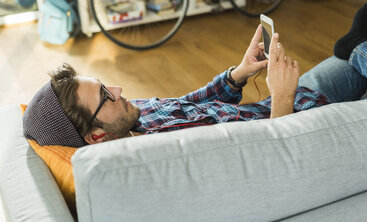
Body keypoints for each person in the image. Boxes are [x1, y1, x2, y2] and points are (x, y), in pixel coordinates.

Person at [23, 4, 367, 148]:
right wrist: (281, 99)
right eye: (105, 96)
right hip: (306, 124)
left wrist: (237, 74)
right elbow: (268, 165)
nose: (118, 89)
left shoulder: (128, 117)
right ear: (96, 138)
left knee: (353, 53)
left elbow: (187, 103)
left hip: (289, 102)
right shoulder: (163, 159)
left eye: (104, 83)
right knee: (358, 52)